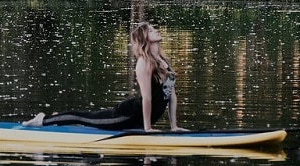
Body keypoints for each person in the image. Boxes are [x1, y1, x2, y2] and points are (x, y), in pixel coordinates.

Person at [23, 22, 187, 132]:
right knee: (86, 118)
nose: (156, 30)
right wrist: (147, 129)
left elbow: (171, 95)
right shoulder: (144, 63)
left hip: (138, 119)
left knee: (88, 118)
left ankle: (58, 118)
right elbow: (147, 98)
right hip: (126, 115)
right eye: (150, 30)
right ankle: (43, 120)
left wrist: (174, 127)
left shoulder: (164, 61)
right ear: (145, 39)